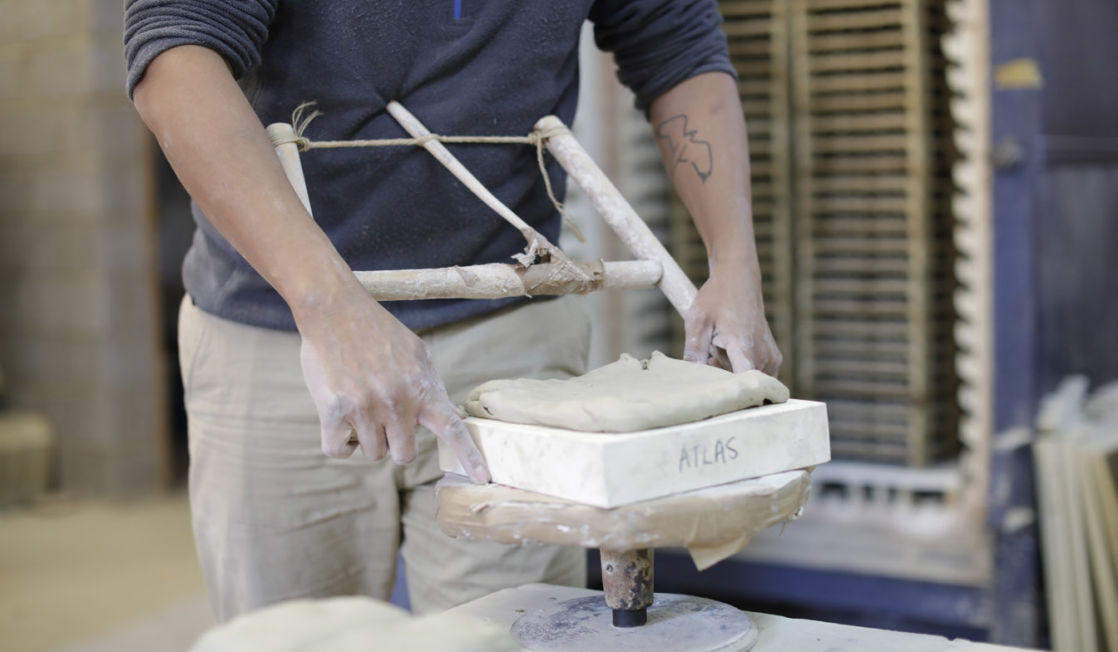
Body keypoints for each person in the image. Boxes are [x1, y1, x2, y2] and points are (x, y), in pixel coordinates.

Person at [124, 0, 782, 621]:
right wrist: (327, 303)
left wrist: (736, 266)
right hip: (280, 329)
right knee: (295, 632)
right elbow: (175, 58)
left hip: (508, 327)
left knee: (512, 632)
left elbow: (677, 44)